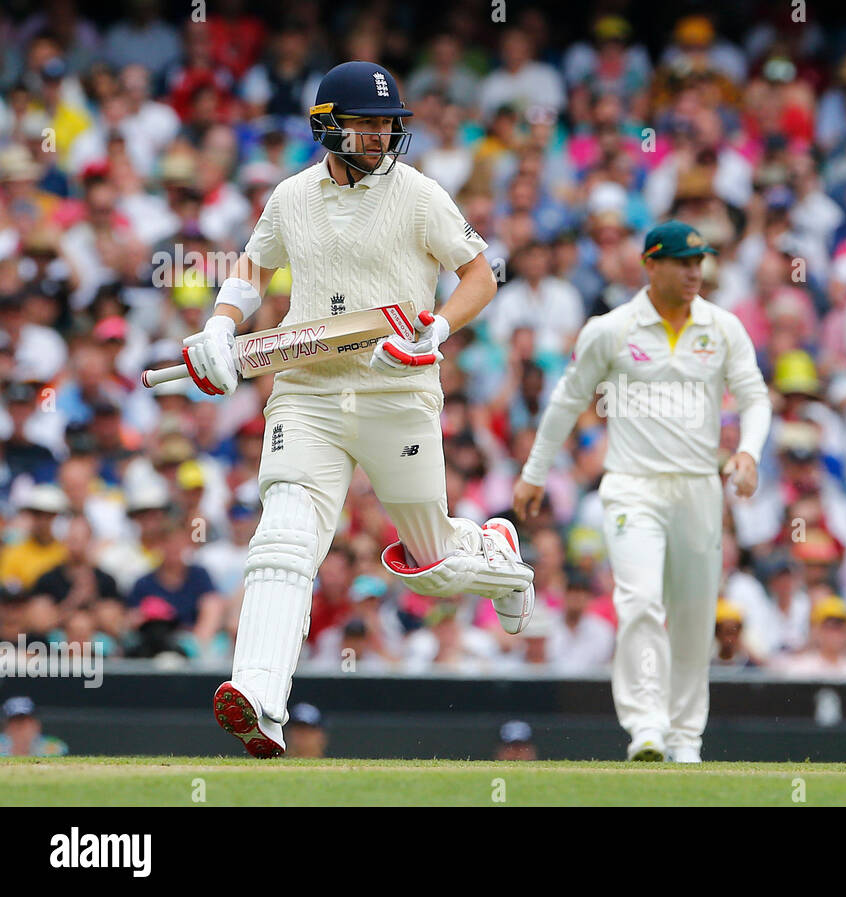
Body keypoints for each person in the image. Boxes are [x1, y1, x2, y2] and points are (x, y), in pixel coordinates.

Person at [178, 61, 536, 758]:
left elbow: (480, 273)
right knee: (284, 530)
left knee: (430, 565)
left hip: (396, 387)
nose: (378, 137)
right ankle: (258, 697)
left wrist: (439, 328)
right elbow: (253, 268)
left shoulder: (421, 196)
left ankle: (500, 560)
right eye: (365, 124)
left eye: (386, 124)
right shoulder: (289, 197)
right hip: (308, 389)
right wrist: (223, 324)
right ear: (327, 127)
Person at [513, 220, 771, 763]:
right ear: (650, 265)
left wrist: (748, 451)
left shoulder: (723, 327)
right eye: (683, 262)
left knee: (695, 615)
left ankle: (685, 739)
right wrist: (535, 474)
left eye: (699, 262)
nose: (694, 272)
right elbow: (565, 401)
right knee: (638, 602)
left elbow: (754, 397)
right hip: (631, 487)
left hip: (700, 489)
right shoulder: (611, 329)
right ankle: (646, 728)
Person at [0, 696, 68, 757]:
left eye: (25, 724)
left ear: (36, 725)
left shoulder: (52, 746)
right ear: (6, 727)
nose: (21, 730)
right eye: (16, 724)